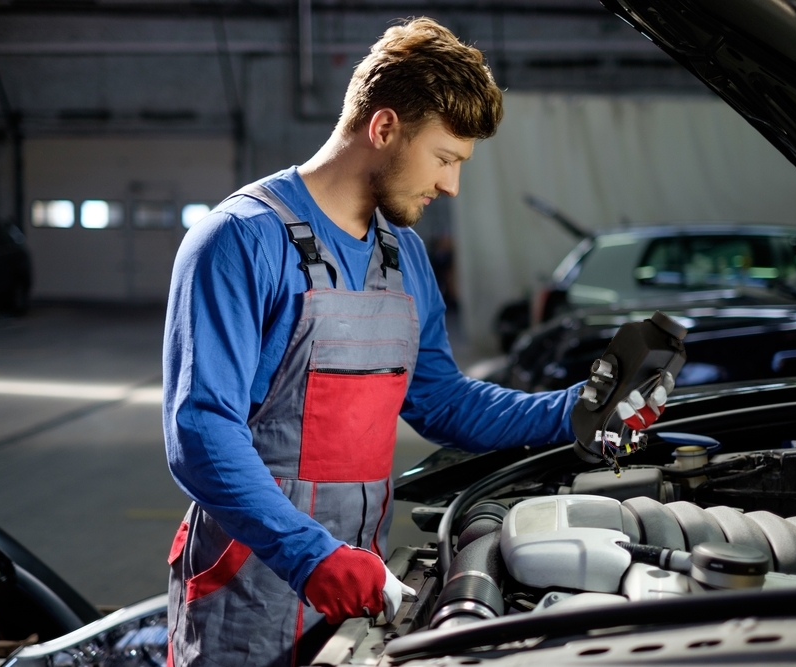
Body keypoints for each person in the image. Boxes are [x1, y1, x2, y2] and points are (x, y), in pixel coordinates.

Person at [162, 17, 661, 667]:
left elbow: (441, 400)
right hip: (247, 591)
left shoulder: (405, 257)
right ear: (384, 128)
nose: (450, 185)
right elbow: (200, 431)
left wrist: (573, 409)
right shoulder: (240, 240)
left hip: (357, 585)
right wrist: (312, 554)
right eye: (445, 158)